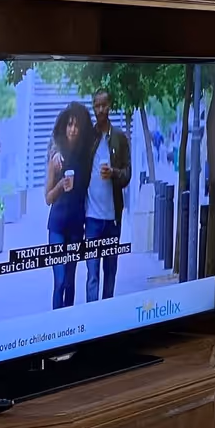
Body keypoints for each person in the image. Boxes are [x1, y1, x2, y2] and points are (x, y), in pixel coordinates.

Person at [82, 89, 132, 302]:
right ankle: (92, 319)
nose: (100, 110)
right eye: (96, 105)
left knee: (110, 271)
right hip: (92, 219)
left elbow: (127, 174)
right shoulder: (88, 137)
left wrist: (114, 173)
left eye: (104, 105)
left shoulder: (119, 138)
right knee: (92, 274)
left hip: (112, 219)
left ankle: (107, 317)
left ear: (110, 105)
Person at [44, 102, 93, 310]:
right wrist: (61, 187)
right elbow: (47, 198)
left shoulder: (85, 157)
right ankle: (56, 323)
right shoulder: (56, 158)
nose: (72, 129)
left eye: (76, 125)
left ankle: (69, 325)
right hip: (56, 225)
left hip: (76, 227)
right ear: (64, 127)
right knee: (60, 280)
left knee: (71, 281)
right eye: (69, 125)